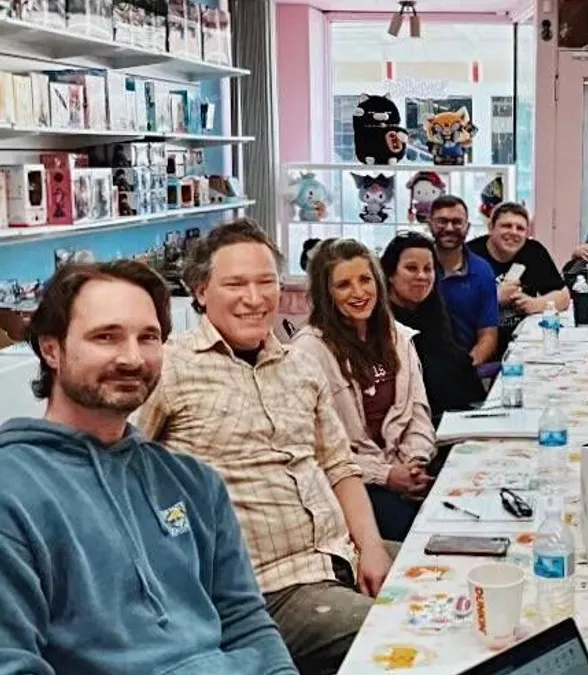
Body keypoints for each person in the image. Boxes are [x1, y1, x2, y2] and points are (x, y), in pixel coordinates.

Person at [0, 261, 296, 675]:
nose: (132, 358)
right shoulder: (13, 494)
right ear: (52, 349)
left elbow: (247, 622)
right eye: (107, 337)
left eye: (149, 338)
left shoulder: (194, 483)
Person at [135, 220, 394, 675]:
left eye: (266, 282)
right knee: (402, 639)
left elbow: (338, 465)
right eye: (235, 284)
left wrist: (371, 546)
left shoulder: (299, 363)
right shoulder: (169, 368)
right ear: (199, 291)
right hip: (265, 589)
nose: (254, 299)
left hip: (340, 557)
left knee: (452, 585)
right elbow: (120, 469)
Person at [292, 238, 436, 543]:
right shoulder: (308, 351)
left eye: (365, 280)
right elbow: (315, 449)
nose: (359, 293)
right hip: (353, 479)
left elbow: (419, 414)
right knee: (411, 529)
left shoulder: (398, 337)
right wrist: (386, 475)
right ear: (325, 292)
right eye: (344, 285)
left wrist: (414, 463)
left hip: (403, 466)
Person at [382, 232, 487, 426]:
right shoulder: (381, 325)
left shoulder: (435, 314)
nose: (421, 276)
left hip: (462, 420)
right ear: (390, 274)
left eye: (428, 269)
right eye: (411, 268)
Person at [467, 202, 568, 352]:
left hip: (524, 344)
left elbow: (564, 297)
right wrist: (495, 297)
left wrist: (535, 304)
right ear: (491, 228)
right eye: (506, 226)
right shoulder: (470, 254)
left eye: (520, 228)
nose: (513, 232)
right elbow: (453, 307)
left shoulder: (534, 251)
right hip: (478, 343)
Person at [428, 194, 500, 366]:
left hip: (465, 365)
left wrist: (466, 367)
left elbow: (488, 335)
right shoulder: (416, 269)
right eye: (442, 221)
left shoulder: (482, 271)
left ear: (467, 227)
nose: (450, 228)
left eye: (457, 222)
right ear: (430, 225)